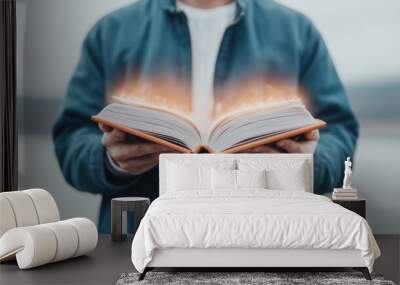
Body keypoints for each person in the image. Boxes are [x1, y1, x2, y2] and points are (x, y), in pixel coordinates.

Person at [53, 0, 359, 233]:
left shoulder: (297, 31)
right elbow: (71, 138)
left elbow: (339, 132)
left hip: (266, 235)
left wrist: (308, 163)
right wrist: (112, 162)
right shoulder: (111, 32)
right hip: (140, 238)